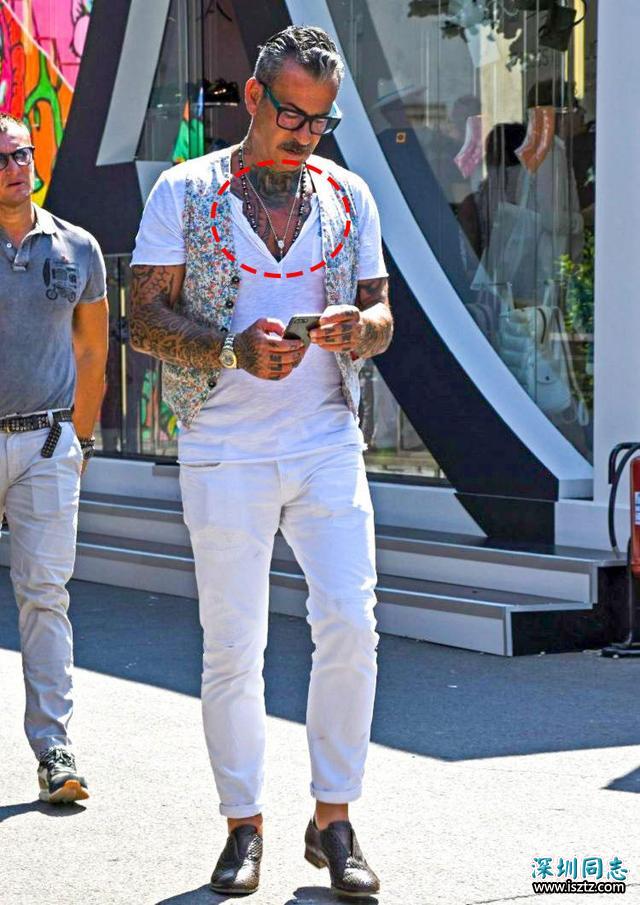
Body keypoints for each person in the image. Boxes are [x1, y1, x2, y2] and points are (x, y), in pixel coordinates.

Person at [130, 25, 392, 899]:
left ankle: (334, 818)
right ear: (252, 97)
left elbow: (382, 312)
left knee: (350, 620)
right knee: (234, 644)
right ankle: (243, 825)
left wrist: (359, 328)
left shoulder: (349, 196)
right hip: (223, 444)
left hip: (324, 437)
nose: (305, 135)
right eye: (290, 115)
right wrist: (230, 349)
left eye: (321, 122)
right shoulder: (184, 190)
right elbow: (144, 318)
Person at [0, 113, 108, 802]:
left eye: (22, 154)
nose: (15, 167)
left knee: (45, 595)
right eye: (1, 160)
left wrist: (81, 440)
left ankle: (55, 750)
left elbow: (93, 350)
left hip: (46, 441)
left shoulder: (79, 247)